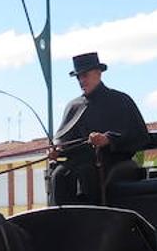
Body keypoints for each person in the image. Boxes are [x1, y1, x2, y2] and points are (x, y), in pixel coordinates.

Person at [49, 52, 150, 205]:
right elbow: (66, 141)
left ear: (98, 73)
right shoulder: (73, 106)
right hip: (79, 162)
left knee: (86, 172)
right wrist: (57, 150)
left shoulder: (120, 100)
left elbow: (140, 136)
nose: (81, 80)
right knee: (59, 174)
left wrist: (108, 139)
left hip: (112, 160)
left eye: (85, 75)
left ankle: (93, 221)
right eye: (78, 77)